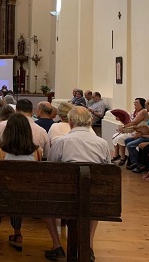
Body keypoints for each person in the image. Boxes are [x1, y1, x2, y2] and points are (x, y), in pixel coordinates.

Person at [44, 106, 111, 262]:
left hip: (64, 197)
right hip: (92, 197)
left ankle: (56, 245)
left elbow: (50, 167)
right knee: (93, 201)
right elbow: (108, 170)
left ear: (71, 122)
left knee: (45, 203)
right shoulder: (102, 143)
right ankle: (88, 247)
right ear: (90, 121)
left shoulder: (62, 142)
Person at [0, 113, 40, 251]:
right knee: (18, 193)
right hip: (29, 194)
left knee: (10, 192)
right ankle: (17, 234)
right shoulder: (37, 151)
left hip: (6, 194)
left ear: (8, 131)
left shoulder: (0, 150)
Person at [112, 97, 149, 166]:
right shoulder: (133, 111)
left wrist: (123, 127)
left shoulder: (143, 111)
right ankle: (117, 155)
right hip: (131, 130)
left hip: (138, 131)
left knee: (121, 138)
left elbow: (134, 122)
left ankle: (123, 157)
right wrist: (120, 120)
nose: (134, 103)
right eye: (134, 102)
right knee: (114, 136)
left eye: (137, 102)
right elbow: (128, 122)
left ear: (142, 104)